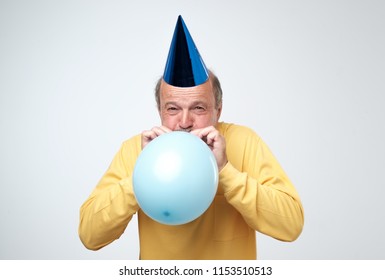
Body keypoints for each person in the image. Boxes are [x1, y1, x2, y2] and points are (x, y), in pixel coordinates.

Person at [79, 15, 304, 260]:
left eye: (198, 108)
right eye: (173, 108)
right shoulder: (137, 150)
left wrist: (226, 172)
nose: (185, 122)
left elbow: (291, 226)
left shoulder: (244, 141)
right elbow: (90, 236)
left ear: (218, 109)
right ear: (160, 110)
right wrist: (140, 177)